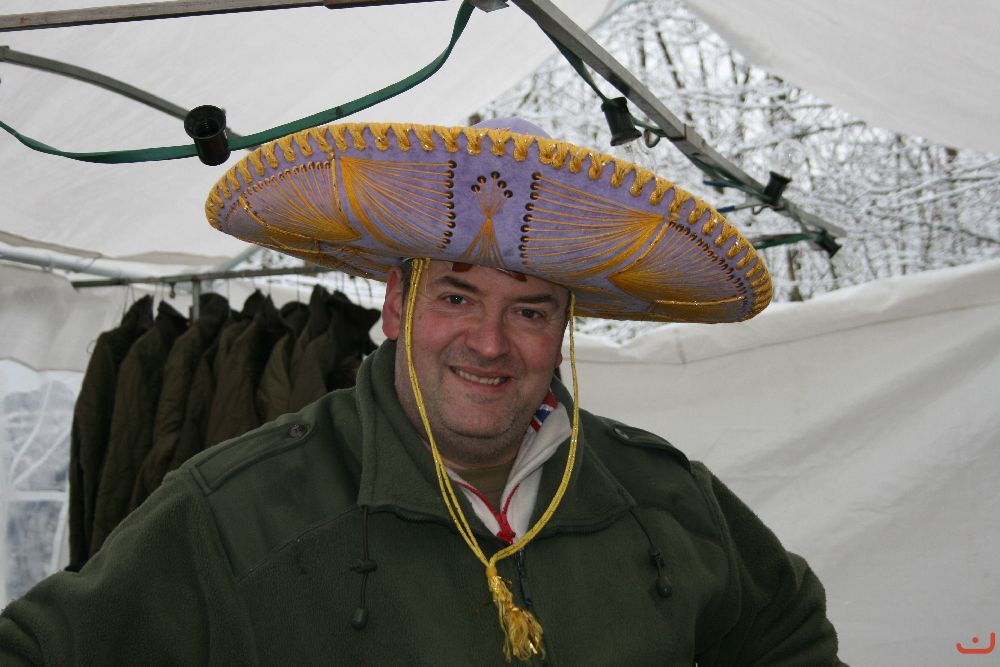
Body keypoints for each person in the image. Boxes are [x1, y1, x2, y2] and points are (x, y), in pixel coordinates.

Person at [0, 118, 843, 665]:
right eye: (457, 297)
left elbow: (790, 635)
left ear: (563, 327)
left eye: (530, 309)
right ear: (397, 306)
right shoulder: (237, 511)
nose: (490, 341)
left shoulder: (664, 496)